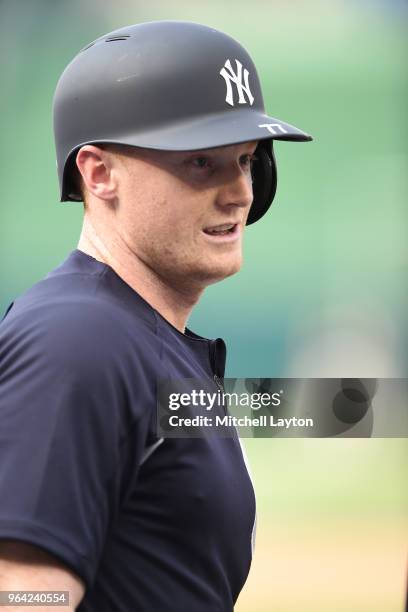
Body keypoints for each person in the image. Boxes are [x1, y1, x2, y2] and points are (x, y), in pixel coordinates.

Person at [0, 20, 312, 611]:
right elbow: (23, 594)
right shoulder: (77, 339)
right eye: (200, 161)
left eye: (246, 160)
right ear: (98, 172)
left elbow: (327, 407)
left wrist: (362, 408)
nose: (240, 191)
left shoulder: (134, 335)